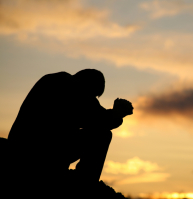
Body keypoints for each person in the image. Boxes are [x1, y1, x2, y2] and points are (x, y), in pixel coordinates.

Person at [6, 69, 133, 197]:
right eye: (93, 95)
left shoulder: (56, 81)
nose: (93, 99)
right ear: (88, 84)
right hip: (38, 153)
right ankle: (84, 185)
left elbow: (93, 116)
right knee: (102, 135)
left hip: (23, 145)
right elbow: (99, 119)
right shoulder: (72, 86)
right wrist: (117, 114)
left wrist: (114, 115)